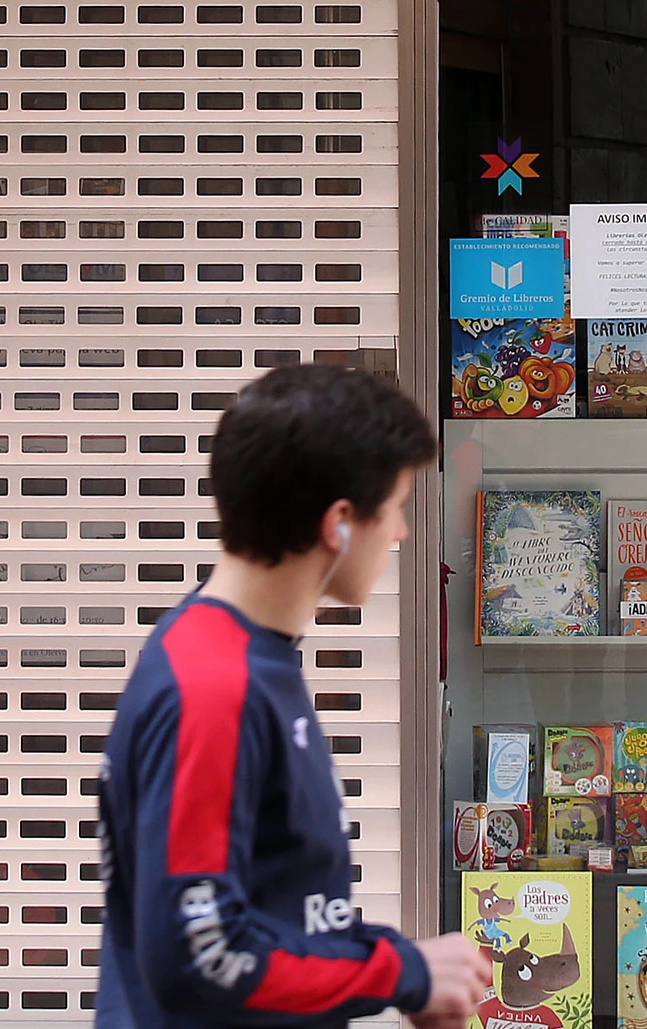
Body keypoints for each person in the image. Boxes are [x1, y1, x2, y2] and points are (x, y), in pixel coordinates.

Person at [95, 365, 490, 1029]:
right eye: (394, 507)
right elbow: (200, 953)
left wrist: (402, 966)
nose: (401, 533)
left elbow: (280, 905)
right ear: (338, 523)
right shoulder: (215, 684)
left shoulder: (238, 653)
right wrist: (401, 973)